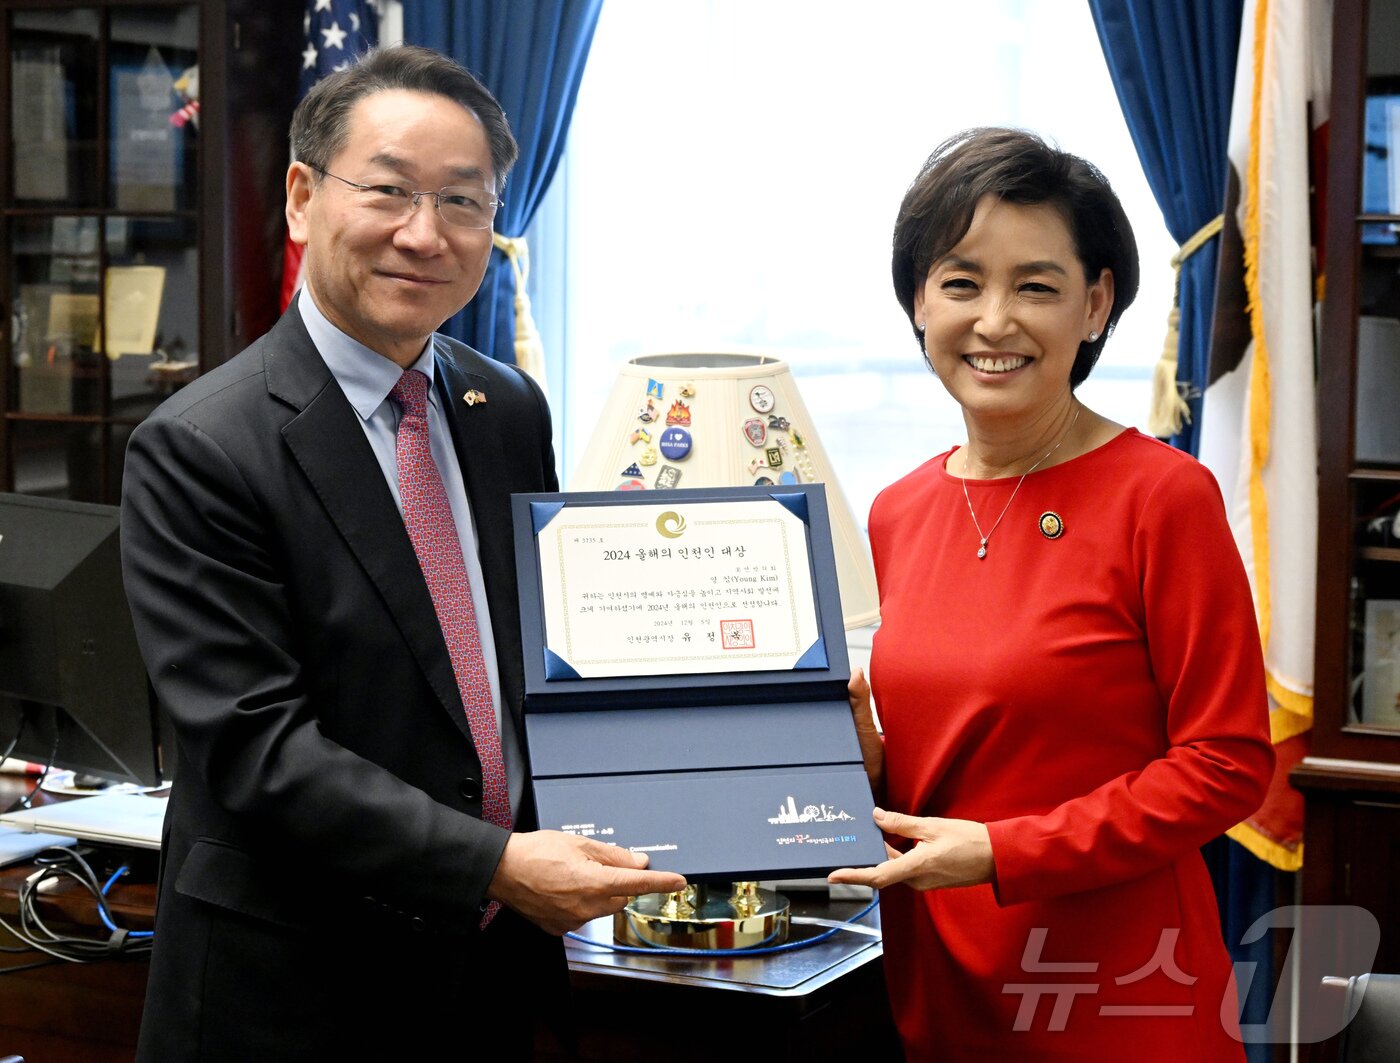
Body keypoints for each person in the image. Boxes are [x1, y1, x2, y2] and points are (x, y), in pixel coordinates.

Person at [120, 46, 684, 1062]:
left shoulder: (503, 406)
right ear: (301, 197)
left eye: (462, 202)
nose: (424, 234)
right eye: (387, 190)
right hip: (292, 992)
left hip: (487, 981)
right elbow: (260, 751)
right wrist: (495, 863)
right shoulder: (202, 447)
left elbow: (531, 668)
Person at [828, 128, 1274, 1060]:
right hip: (941, 983)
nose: (995, 321)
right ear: (918, 302)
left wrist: (1003, 852)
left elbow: (1226, 764)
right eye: (961, 283)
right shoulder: (899, 510)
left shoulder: (1164, 497)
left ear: (1096, 302)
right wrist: (869, 761)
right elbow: (963, 751)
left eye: (1036, 285)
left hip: (1117, 993)